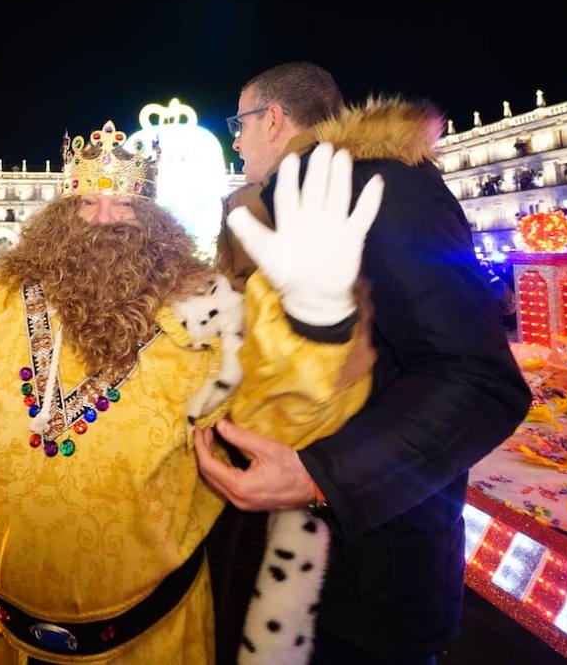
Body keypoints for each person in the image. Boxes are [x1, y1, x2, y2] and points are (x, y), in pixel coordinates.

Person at [0, 125, 382, 664]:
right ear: (58, 211)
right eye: (86, 200)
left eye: (127, 202)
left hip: (151, 639)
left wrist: (317, 320)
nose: (105, 218)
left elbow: (288, 415)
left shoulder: (214, 318)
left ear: (156, 219)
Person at [201, 63, 530, 664]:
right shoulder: (284, 200)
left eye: (240, 124)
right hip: (279, 563)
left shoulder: (384, 186)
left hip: (365, 578)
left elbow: (478, 379)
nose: (237, 141)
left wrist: (325, 476)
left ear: (273, 119)